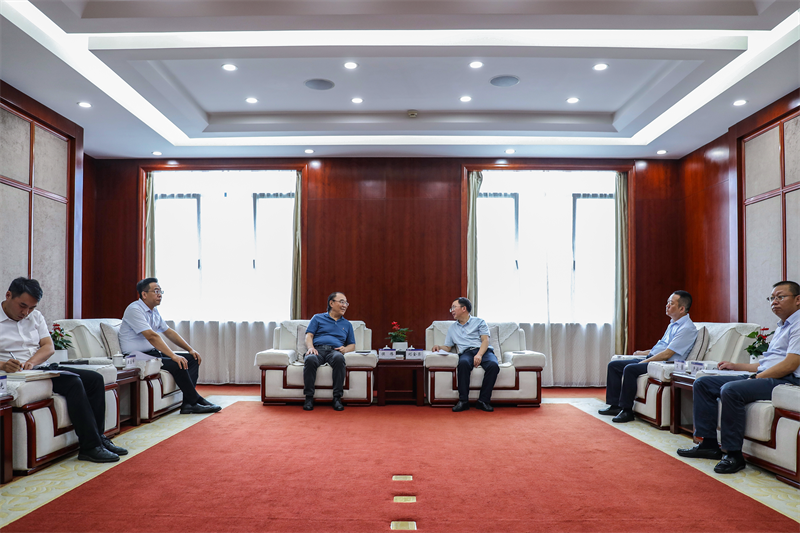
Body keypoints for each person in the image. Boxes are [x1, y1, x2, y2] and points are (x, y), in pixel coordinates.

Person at [678, 281, 800, 474]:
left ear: (798, 299)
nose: (774, 302)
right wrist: (736, 366)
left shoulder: (798, 325)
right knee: (703, 383)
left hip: (787, 380)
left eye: (780, 297)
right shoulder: (782, 326)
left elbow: (790, 364)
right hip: (769, 375)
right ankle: (708, 444)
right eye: (771, 298)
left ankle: (733, 455)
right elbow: (767, 364)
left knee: (731, 390)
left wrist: (757, 377)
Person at [0, 277, 127, 463]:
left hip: (39, 368)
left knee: (94, 379)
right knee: (73, 382)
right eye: (22, 306)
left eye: (31, 308)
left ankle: (99, 438)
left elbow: (48, 347)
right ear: (8, 295)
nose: (26, 313)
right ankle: (90, 447)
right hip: (14, 374)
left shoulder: (35, 317)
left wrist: (32, 361)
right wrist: (3, 365)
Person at [118, 278, 220, 415]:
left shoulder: (154, 311)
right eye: (156, 291)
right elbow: (151, 336)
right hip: (135, 357)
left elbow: (169, 332)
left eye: (161, 291)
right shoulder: (134, 309)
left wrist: (190, 349)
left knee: (192, 359)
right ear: (144, 294)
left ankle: (189, 404)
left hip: (151, 354)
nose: (160, 295)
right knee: (177, 363)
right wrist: (173, 355)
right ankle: (196, 400)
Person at [599, 290, 697, 423]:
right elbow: (662, 347)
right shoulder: (673, 324)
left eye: (671, 303)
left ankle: (627, 411)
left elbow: (668, 354)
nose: (667, 305)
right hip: (654, 358)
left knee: (630, 369)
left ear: (682, 308)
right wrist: (643, 353)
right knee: (614, 365)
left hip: (664, 363)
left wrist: (646, 361)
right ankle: (615, 405)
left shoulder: (686, 328)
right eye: (667, 302)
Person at [432, 297, 500, 412]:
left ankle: (483, 401)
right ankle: (463, 401)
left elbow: (485, 340)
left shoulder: (479, 322)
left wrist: (479, 355)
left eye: (454, 307)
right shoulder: (452, 328)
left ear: (464, 308)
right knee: (463, 363)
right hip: (466, 352)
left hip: (483, 351)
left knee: (493, 366)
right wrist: (439, 347)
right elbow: (448, 347)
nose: (452, 310)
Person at [303, 292, 355, 411]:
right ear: (331, 303)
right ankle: (309, 397)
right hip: (318, 349)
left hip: (334, 351)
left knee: (339, 358)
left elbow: (352, 345)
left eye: (346, 303)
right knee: (310, 359)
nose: (345, 305)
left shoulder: (347, 324)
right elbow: (309, 335)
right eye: (341, 302)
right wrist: (311, 348)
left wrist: (345, 349)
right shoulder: (317, 318)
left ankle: (337, 398)